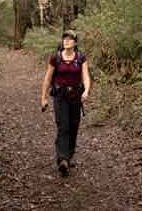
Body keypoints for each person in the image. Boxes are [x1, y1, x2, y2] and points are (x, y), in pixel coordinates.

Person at [40, 29, 91, 176]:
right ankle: (62, 159)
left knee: (74, 126)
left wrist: (86, 90)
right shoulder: (55, 58)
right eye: (64, 38)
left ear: (75, 42)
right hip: (60, 96)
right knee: (63, 126)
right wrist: (43, 98)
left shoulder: (81, 58)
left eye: (70, 39)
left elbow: (86, 77)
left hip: (75, 96)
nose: (66, 41)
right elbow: (47, 79)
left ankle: (68, 156)